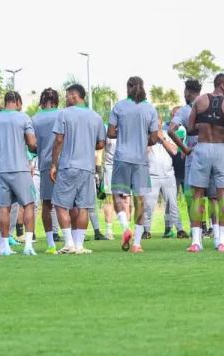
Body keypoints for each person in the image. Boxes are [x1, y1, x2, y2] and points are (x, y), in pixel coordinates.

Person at [184, 74, 224, 252]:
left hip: (202, 148)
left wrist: (203, 126)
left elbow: (190, 128)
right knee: (223, 195)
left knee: (197, 196)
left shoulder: (199, 101)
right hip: (220, 149)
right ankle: (221, 241)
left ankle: (196, 242)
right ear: (222, 85)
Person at [51, 84, 106, 255]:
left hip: (68, 166)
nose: (65, 98)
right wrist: (87, 144)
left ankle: (69, 243)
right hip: (88, 168)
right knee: (84, 207)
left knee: (60, 204)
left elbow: (59, 140)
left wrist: (54, 164)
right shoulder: (96, 117)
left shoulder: (64, 114)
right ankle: (79, 245)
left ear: (75, 96)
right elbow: (101, 143)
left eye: (67, 95)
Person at [0, 91, 38, 256]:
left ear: (6, 102)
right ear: (18, 102)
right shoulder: (23, 117)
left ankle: (5, 246)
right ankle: (28, 245)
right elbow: (32, 143)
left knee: (3, 208)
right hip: (20, 168)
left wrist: (1, 146)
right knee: (29, 204)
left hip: (1, 169)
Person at [108, 77, 159, 253]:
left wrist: (125, 132)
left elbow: (110, 132)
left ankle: (125, 227)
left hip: (122, 158)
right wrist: (143, 138)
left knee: (118, 196)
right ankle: (137, 243)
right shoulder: (150, 109)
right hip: (141, 161)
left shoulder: (119, 106)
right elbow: (154, 138)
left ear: (128, 88)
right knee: (140, 200)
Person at [168, 79, 202, 236]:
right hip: (212, 153)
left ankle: (196, 232)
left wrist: (185, 149)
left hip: (194, 156)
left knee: (192, 196)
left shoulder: (184, 111)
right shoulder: (209, 105)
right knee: (214, 196)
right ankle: (215, 232)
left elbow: (171, 131)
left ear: (187, 92)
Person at [144, 117, 185, 237]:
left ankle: (179, 229)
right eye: (153, 124)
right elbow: (142, 153)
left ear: (161, 124)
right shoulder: (145, 136)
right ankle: (146, 230)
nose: (156, 126)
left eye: (158, 123)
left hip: (168, 175)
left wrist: (162, 140)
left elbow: (174, 151)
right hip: (152, 176)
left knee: (173, 204)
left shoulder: (168, 135)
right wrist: (151, 140)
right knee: (149, 205)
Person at [33, 88, 61, 253]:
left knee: (47, 204)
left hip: (45, 164)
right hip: (64, 163)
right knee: (68, 204)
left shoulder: (35, 119)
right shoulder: (63, 115)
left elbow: (31, 144)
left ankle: (51, 243)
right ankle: (72, 240)